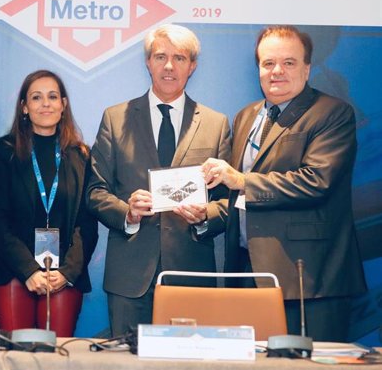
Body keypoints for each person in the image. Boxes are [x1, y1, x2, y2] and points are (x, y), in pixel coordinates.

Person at [201, 25, 366, 341]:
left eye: (288, 63)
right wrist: (205, 213)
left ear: (307, 68)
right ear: (258, 69)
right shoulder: (246, 116)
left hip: (308, 279)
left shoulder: (332, 113)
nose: (277, 71)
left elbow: (317, 181)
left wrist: (241, 180)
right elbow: (239, 196)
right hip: (247, 272)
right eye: (268, 63)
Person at [87, 24, 231, 336]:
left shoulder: (216, 124)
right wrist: (127, 211)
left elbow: (229, 200)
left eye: (179, 58)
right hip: (130, 276)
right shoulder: (115, 118)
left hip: (191, 273)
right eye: (160, 56)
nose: (169, 66)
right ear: (148, 62)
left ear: (192, 66)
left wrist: (206, 216)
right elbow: (95, 191)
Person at [0, 70, 98, 337]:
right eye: (36, 97)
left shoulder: (81, 156)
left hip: (63, 276)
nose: (46, 103)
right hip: (10, 269)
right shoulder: (3, 152)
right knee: (16, 357)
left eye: (53, 96)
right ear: (24, 106)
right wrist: (28, 269)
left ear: (63, 105)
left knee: (56, 358)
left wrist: (67, 272)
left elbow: (87, 225)